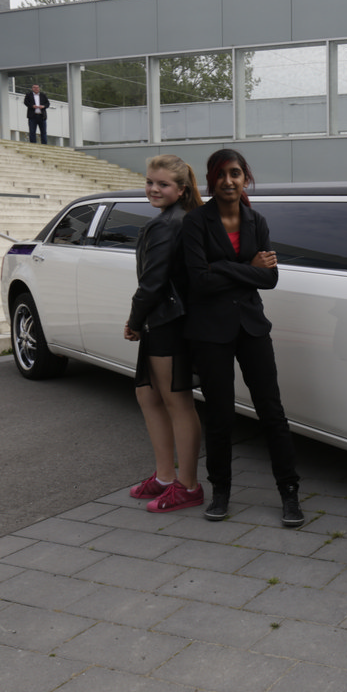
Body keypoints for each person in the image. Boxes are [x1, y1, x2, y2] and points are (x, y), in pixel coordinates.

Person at [182, 148, 303, 526]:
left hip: (252, 327)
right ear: (211, 180)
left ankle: (289, 492)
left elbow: (270, 278)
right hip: (210, 331)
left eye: (235, 173)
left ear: (245, 178)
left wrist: (222, 267)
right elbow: (198, 282)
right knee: (219, 415)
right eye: (220, 174)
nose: (228, 181)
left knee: (272, 412)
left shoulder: (257, 221)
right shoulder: (195, 222)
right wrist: (247, 267)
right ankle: (220, 491)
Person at [125, 155, 205, 513]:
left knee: (178, 403)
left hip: (168, 322)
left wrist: (134, 320)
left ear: (182, 189)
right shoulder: (179, 218)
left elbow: (152, 283)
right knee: (148, 395)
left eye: (163, 184)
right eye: (149, 182)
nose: (153, 189)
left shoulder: (168, 224)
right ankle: (164, 477)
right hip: (165, 320)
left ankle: (188, 486)